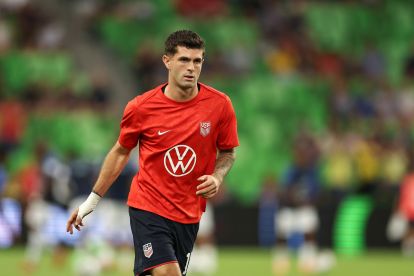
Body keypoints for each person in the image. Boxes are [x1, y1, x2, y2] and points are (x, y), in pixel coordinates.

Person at [66, 30, 239, 276]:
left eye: (197, 61)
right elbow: (120, 152)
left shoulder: (220, 105)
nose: (191, 67)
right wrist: (92, 201)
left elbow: (228, 152)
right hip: (148, 207)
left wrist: (217, 177)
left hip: (188, 213)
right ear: (166, 61)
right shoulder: (141, 107)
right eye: (184, 60)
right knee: (167, 273)